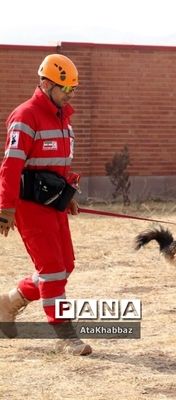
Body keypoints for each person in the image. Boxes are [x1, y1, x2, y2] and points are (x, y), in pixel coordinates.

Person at [0, 54, 92, 355]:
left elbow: (58, 166)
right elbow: (11, 166)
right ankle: (65, 334)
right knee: (52, 269)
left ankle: (10, 301)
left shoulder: (63, 118)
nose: (70, 94)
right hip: (29, 207)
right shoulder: (25, 116)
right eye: (65, 88)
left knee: (65, 266)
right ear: (45, 83)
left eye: (74, 89)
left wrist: (68, 196)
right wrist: (6, 208)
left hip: (53, 204)